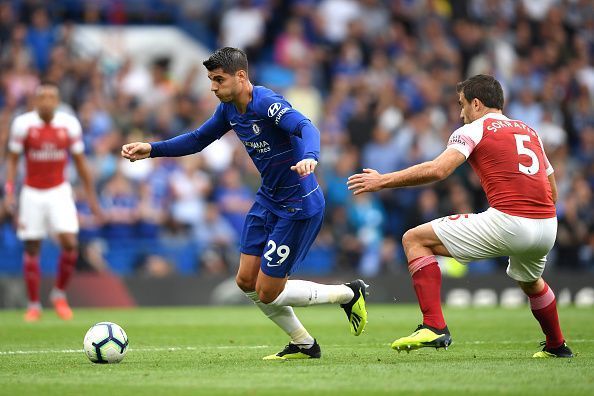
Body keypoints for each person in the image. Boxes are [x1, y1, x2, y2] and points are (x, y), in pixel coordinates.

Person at [122, 47, 368, 360]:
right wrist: (152, 148)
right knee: (245, 280)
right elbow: (198, 139)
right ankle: (303, 343)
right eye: (211, 80)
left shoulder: (266, 102)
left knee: (268, 291)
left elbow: (307, 127)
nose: (213, 86)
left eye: (219, 79)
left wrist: (310, 157)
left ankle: (348, 293)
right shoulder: (228, 110)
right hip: (269, 198)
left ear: (241, 76)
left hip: (298, 203)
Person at [347, 74, 573, 358]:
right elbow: (552, 191)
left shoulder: (474, 129)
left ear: (476, 103)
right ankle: (557, 346)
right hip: (546, 227)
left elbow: (439, 170)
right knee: (531, 282)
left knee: (414, 240)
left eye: (462, 104)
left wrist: (383, 180)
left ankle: (434, 326)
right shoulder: (530, 131)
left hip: (510, 222)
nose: (460, 112)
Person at [4, 83, 102, 322]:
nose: (47, 101)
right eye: (42, 96)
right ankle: (34, 305)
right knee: (32, 246)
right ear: (36, 101)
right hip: (32, 192)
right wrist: (9, 191)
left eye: (51, 97)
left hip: (59, 190)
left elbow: (80, 162)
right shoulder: (23, 124)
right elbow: (13, 160)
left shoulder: (68, 124)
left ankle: (58, 294)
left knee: (70, 243)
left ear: (57, 101)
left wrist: (91, 197)